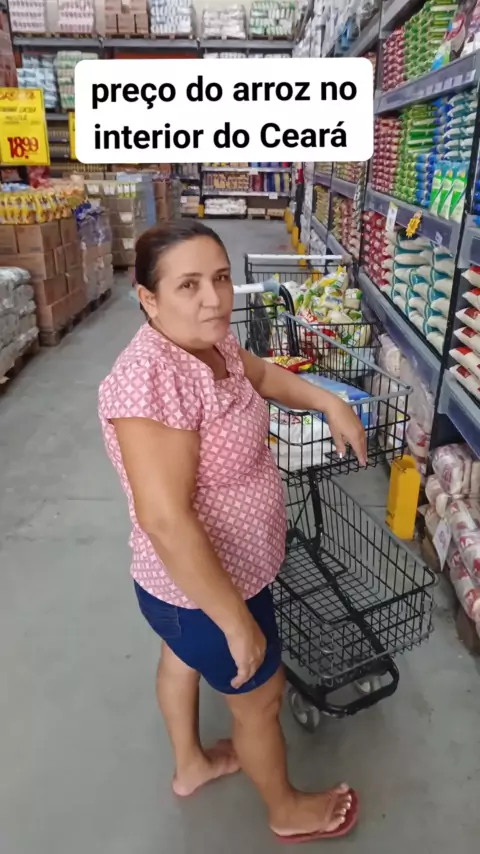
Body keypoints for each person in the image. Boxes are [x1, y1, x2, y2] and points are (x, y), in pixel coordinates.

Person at [98, 221, 365, 843]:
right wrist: (235, 622)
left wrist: (329, 402)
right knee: (261, 701)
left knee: (180, 660)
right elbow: (166, 519)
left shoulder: (212, 343)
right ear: (148, 298)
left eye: (219, 278)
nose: (214, 299)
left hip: (203, 587)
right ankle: (285, 810)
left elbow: (264, 376)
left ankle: (190, 766)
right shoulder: (151, 382)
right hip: (203, 593)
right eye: (188, 284)